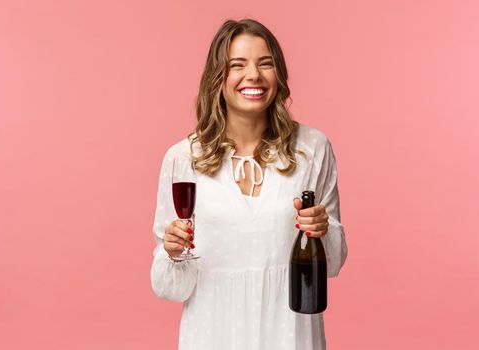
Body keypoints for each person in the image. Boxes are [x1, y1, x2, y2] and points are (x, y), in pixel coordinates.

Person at [149, 19, 348, 349]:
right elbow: (170, 287)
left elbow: (334, 264)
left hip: (290, 330)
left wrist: (323, 229)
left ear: (278, 75)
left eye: (265, 63)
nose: (253, 75)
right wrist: (172, 252)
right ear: (218, 78)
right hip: (213, 330)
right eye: (237, 65)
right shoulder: (183, 158)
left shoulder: (312, 149)